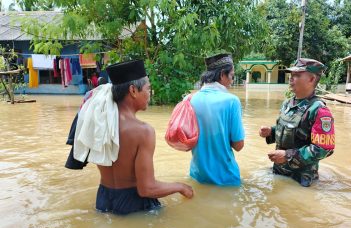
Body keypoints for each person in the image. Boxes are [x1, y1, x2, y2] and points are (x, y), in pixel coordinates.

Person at [72, 60, 193, 215]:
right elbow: (147, 189)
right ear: (133, 91)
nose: (150, 94)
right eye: (148, 89)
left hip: (103, 200)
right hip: (133, 204)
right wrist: (181, 187)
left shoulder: (98, 122)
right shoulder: (143, 131)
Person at [259, 58, 335, 187]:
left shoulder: (319, 110)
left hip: (301, 179)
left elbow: (324, 148)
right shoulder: (287, 103)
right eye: (291, 75)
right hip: (279, 171)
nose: (291, 78)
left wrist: (288, 156)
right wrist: (271, 132)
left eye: (297, 75)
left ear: (311, 79)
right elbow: (291, 131)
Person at [189, 53, 245, 186]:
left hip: (197, 175)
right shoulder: (232, 101)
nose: (232, 81)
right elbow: (239, 145)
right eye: (231, 76)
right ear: (222, 75)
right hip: (226, 178)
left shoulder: (190, 99)